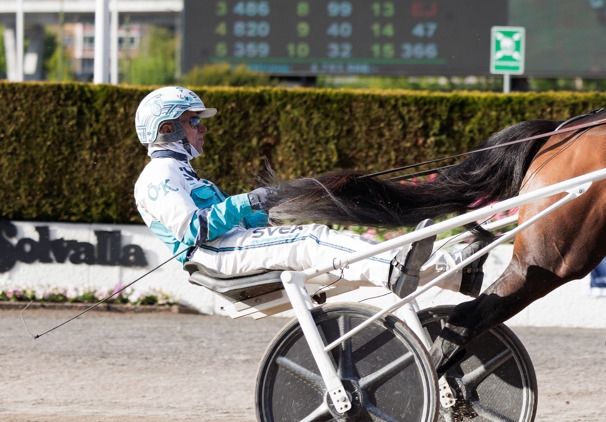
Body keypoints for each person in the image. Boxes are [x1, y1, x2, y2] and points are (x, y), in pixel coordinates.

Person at [132, 86, 432, 297]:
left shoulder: (183, 172)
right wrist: (247, 200)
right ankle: (391, 270)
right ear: (167, 128)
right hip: (213, 254)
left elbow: (237, 221)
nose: (203, 128)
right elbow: (195, 229)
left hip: (229, 245)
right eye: (194, 121)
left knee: (329, 237)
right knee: (309, 238)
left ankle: (455, 273)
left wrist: (270, 208)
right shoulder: (159, 174)